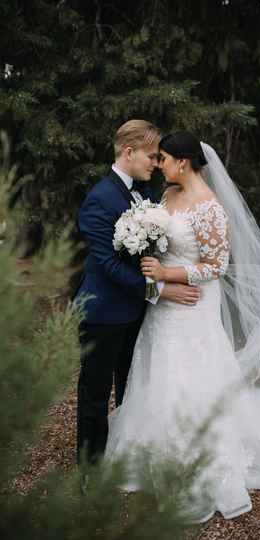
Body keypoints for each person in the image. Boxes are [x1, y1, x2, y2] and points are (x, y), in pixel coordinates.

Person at [104, 131, 260, 522]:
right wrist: (154, 274)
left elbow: (216, 267)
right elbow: (158, 243)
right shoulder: (167, 197)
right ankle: (149, 452)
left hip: (194, 305)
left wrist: (169, 273)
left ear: (183, 162)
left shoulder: (210, 207)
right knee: (159, 369)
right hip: (165, 302)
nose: (158, 164)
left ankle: (200, 452)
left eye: (164, 158)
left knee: (193, 375)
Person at [74, 121, 201, 469]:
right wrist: (162, 289)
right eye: (151, 156)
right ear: (128, 152)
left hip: (138, 313)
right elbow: (111, 269)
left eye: (160, 158)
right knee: (95, 396)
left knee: (132, 390)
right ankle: (90, 471)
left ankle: (124, 457)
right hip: (102, 314)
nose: (156, 164)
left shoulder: (146, 194)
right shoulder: (99, 200)